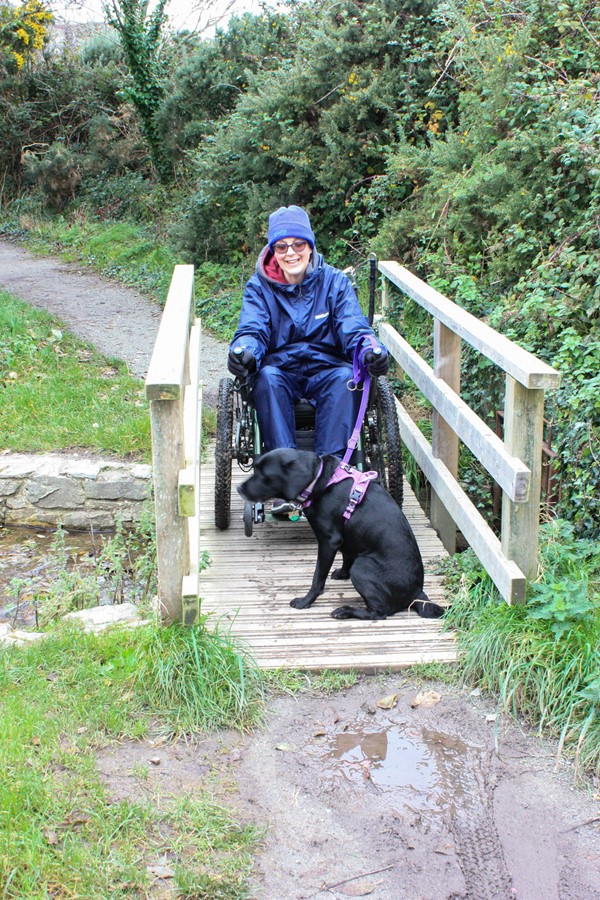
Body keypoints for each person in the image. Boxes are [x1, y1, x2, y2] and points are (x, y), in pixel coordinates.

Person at [228, 205, 389, 513]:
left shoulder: (334, 283)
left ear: (310, 246)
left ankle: (333, 481)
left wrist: (369, 350)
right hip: (281, 368)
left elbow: (353, 326)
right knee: (266, 380)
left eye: (298, 244)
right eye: (282, 246)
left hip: (325, 366)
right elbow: (253, 329)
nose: (291, 252)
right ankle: (286, 485)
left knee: (346, 381)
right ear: (273, 250)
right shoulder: (259, 287)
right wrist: (245, 351)